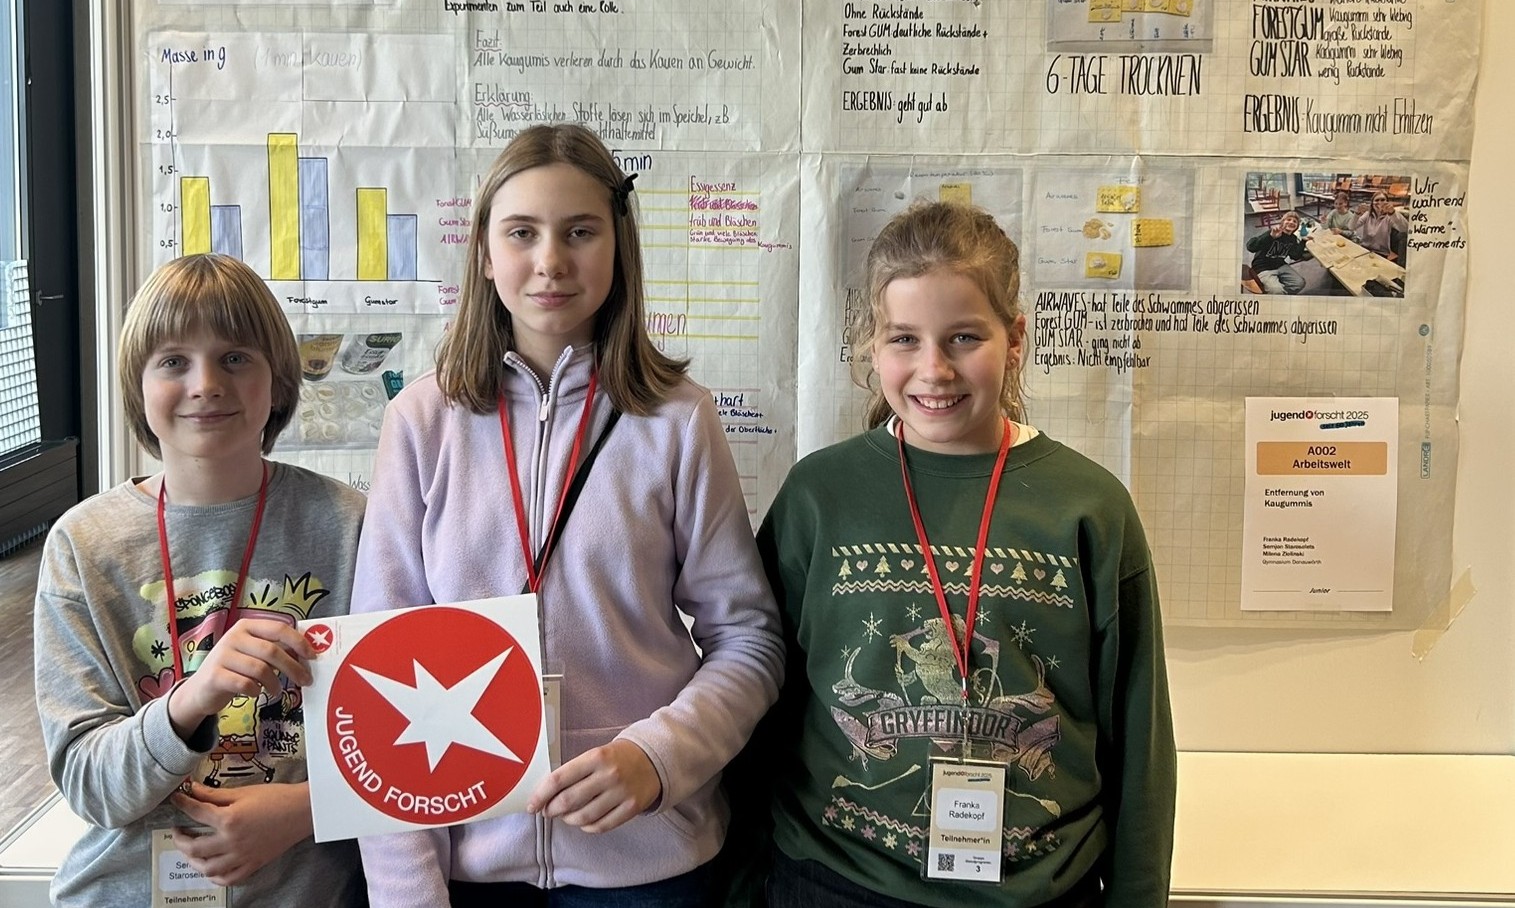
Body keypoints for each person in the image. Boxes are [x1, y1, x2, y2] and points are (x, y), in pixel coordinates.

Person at [353, 123, 784, 906]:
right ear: (485, 254)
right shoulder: (421, 421)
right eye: (522, 232)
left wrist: (658, 758)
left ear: (618, 249)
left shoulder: (677, 421)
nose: (550, 260)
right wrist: (406, 888)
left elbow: (748, 641)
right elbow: (375, 668)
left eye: (579, 232)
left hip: (644, 865)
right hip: (464, 863)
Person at [753, 201, 1175, 908]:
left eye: (963, 338)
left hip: (1039, 891)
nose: (934, 369)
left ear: (1014, 340)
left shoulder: (1088, 506)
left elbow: (1141, 736)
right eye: (904, 339)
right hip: (835, 882)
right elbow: (758, 699)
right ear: (872, 347)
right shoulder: (818, 497)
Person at [34, 254, 366, 907]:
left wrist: (308, 808)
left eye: (235, 358)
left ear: (279, 383)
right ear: (138, 387)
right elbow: (88, 783)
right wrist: (194, 697)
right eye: (173, 362)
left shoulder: (351, 526)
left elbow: (407, 742)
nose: (206, 384)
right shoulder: (84, 543)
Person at [1245, 210, 1311, 294]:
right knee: (1277, 290)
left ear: (1297, 227)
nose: (1291, 222)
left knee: (1299, 283)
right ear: (1282, 222)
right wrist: (1270, 236)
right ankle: (1277, 294)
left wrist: (1303, 242)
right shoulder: (1273, 232)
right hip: (1263, 267)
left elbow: (1295, 256)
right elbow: (1251, 247)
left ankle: (1279, 294)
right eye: (1288, 219)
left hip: (1279, 265)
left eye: (1295, 221)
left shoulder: (1293, 238)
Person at [1352, 191, 1410, 262]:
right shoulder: (1367, 215)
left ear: (1387, 202)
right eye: (1377, 200)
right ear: (1372, 203)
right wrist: (1357, 213)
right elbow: (1351, 227)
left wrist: (1393, 213)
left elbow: (1405, 229)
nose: (1379, 202)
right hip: (1364, 249)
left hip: (1381, 253)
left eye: (1382, 200)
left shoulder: (1390, 217)